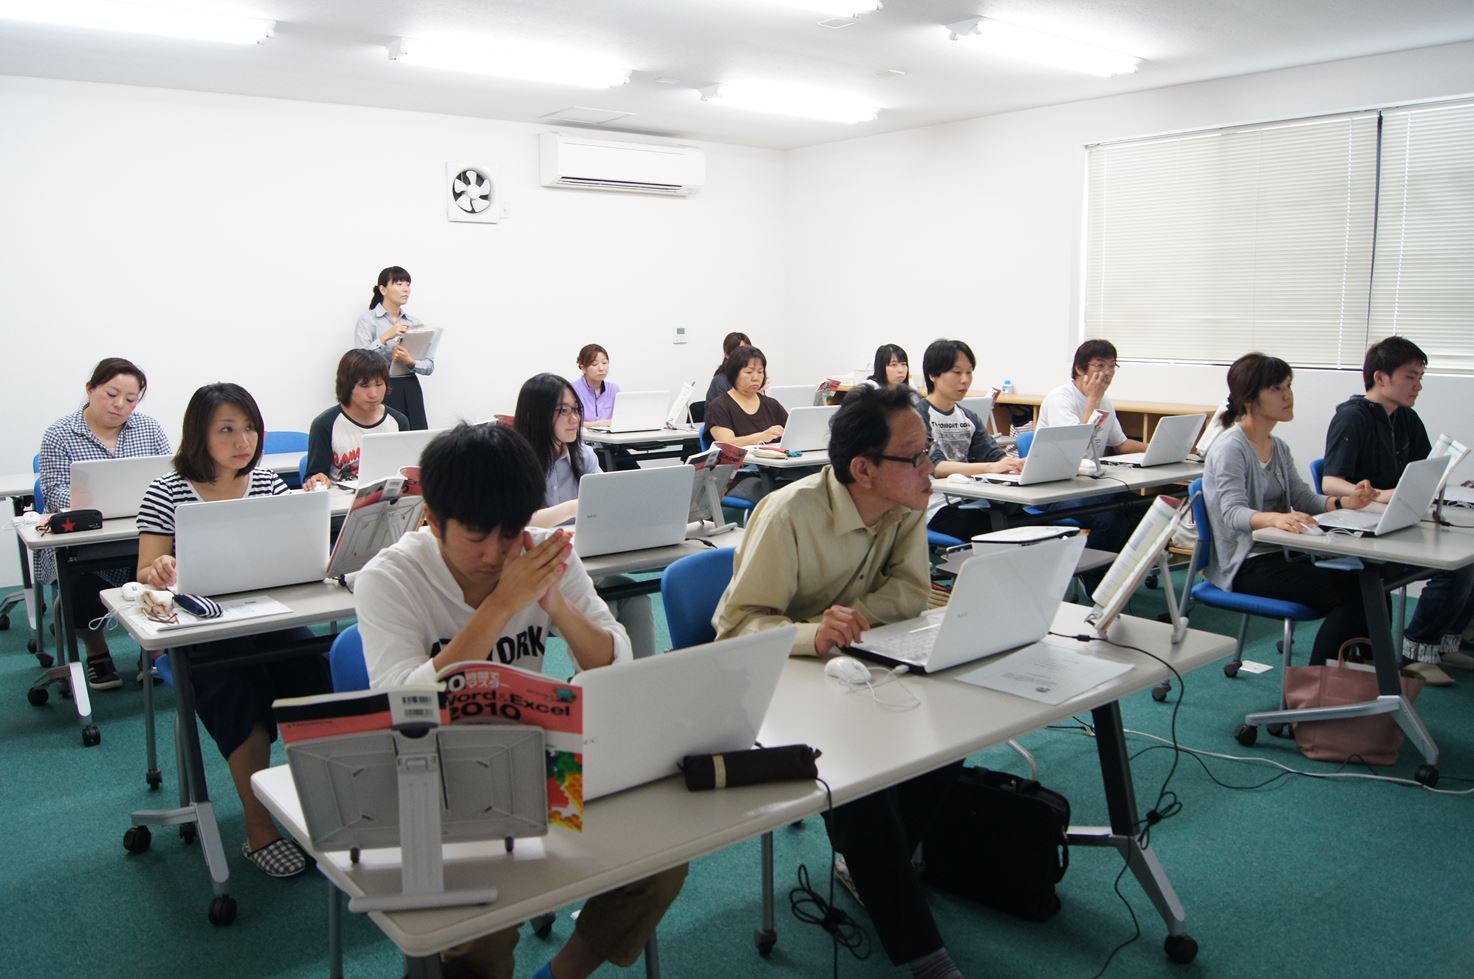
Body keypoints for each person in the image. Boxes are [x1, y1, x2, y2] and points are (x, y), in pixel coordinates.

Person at [354, 422, 685, 979]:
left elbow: (613, 663)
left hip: (538, 762)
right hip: (437, 780)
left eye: (510, 532)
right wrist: (501, 606)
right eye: (476, 535)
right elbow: (403, 707)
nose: (495, 552)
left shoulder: (540, 555)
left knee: (660, 858)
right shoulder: (388, 580)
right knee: (478, 931)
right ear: (431, 519)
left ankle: (561, 973)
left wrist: (555, 603)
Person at [714, 386, 964, 979]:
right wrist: (814, 634)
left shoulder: (906, 504)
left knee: (950, 736)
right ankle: (923, 953)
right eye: (916, 457)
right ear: (863, 469)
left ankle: (870, 864)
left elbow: (910, 592)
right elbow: (735, 628)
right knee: (860, 779)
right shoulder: (788, 515)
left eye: (928, 454)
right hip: (778, 679)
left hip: (856, 665)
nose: (930, 469)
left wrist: (851, 623)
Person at [135, 383, 330, 878]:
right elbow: (144, 571)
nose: (242, 440)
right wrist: (159, 570)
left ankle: (320, 806)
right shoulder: (167, 489)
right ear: (198, 435)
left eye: (249, 428)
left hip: (267, 616)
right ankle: (258, 826)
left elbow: (295, 555)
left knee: (315, 674)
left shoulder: (267, 482)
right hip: (201, 631)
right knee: (237, 693)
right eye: (226, 429)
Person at [1202, 353, 1379, 666]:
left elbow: (1304, 498)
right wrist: (1276, 518)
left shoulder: (1278, 447)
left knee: (1371, 585)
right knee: (1352, 597)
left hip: (1284, 553)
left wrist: (1344, 502)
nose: (1288, 396)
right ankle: (1319, 684)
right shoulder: (1231, 447)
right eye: (1276, 389)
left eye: (1288, 386)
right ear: (1250, 399)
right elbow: (1232, 514)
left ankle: (1368, 673)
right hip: (1246, 563)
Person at [1322, 336, 1474, 685]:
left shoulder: (1407, 418)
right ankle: (1416, 649)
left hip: (1399, 519)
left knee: (1467, 560)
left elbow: (1425, 471)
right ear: (1381, 378)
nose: (1418, 385)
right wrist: (1379, 495)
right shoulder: (1352, 417)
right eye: (1411, 376)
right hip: (1364, 527)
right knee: (1453, 568)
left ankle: (1442, 642)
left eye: (1420, 377)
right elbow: (1330, 482)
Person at [37, 357, 171, 690]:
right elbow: (54, 491)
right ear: (90, 389)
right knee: (79, 576)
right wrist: (93, 507)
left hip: (140, 529)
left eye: (130, 399)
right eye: (111, 394)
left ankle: (153, 647)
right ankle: (96, 650)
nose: (120, 404)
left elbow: (170, 478)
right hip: (83, 537)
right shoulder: (59, 433)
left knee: (160, 564)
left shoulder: (149, 429)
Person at [512, 373, 658, 659]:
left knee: (635, 597)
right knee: (607, 606)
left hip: (586, 561)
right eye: (562, 411)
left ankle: (641, 676)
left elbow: (606, 503)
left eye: (576, 410)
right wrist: (573, 507)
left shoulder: (584, 456)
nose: (574, 419)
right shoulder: (515, 462)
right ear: (537, 415)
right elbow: (517, 523)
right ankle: (599, 683)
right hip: (540, 572)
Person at [1034, 339, 1149, 552]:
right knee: (1111, 521)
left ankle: (1123, 567)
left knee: (1145, 509)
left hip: (1089, 485)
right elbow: (1076, 449)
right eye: (1100, 365)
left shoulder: (1105, 400)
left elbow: (1121, 444)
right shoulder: (1060, 399)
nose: (1107, 373)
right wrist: (1094, 399)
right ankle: (1089, 571)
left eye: (1112, 366)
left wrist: (1155, 449)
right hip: (1055, 488)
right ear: (1080, 368)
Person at [916, 339, 1022, 540]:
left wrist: (1013, 464)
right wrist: (991, 467)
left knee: (1027, 522)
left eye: (969, 372)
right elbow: (936, 467)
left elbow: (992, 453)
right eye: (957, 372)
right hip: (935, 506)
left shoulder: (969, 417)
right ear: (933, 375)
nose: (965, 380)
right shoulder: (916, 417)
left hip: (971, 498)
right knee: (1001, 530)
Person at [303, 349, 410, 489]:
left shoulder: (398, 421)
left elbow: (404, 473)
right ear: (347, 386)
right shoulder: (325, 424)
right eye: (364, 386)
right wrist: (316, 479)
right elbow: (314, 476)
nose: (373, 394)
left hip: (386, 498)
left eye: (379, 384)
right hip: (340, 500)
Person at [354, 265, 439, 430]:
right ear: (383, 289)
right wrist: (385, 337)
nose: (405, 289)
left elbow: (429, 366)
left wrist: (410, 361)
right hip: (381, 386)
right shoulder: (368, 320)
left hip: (410, 386)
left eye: (408, 284)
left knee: (416, 434)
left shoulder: (414, 322)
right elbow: (358, 361)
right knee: (387, 435)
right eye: (399, 284)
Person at [705, 346, 791, 502]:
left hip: (774, 471)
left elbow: (792, 434)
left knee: (808, 483)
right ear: (734, 373)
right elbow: (727, 443)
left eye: (760, 371)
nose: (756, 377)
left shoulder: (772, 405)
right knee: (779, 495)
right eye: (749, 372)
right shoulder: (719, 406)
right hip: (737, 475)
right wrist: (762, 436)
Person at [570, 343, 640, 471]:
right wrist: (598, 424)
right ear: (583, 367)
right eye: (594, 364)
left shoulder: (614, 389)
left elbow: (622, 418)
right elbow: (569, 422)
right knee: (604, 467)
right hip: (585, 447)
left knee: (635, 471)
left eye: (605, 363)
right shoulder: (571, 390)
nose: (601, 368)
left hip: (612, 446)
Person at [703, 330, 752, 403]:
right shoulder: (720, 381)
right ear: (727, 354)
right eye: (738, 351)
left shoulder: (753, 378)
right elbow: (730, 409)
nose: (743, 355)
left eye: (747, 351)